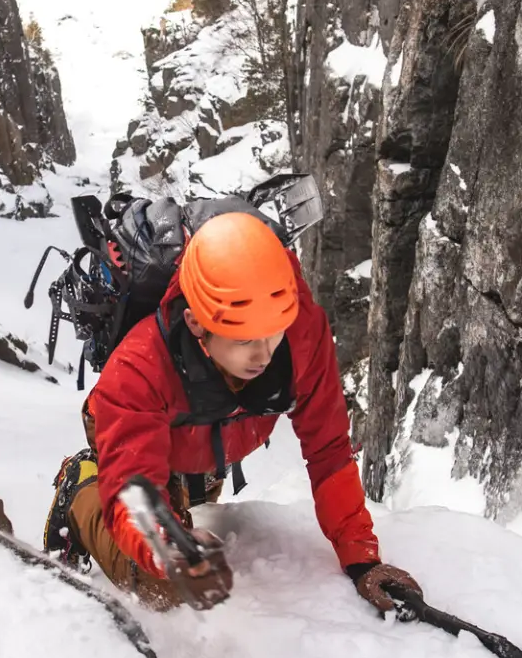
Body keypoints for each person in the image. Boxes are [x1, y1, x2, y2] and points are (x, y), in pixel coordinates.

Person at [62, 210, 421, 612]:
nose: (263, 354)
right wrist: (173, 549)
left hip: (216, 437)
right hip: (142, 439)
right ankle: (79, 490)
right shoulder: (137, 370)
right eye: (243, 339)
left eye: (273, 334)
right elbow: (133, 490)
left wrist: (362, 558)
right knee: (162, 587)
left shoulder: (300, 330)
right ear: (196, 323)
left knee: (195, 512)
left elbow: (329, 450)